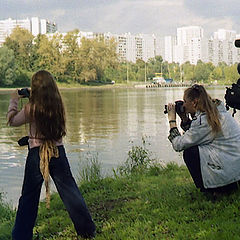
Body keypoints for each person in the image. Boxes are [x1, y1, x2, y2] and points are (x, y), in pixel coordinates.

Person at [7, 70, 96, 240]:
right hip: (57, 152)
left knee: (29, 198)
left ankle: (21, 236)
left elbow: (12, 121)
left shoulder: (31, 108)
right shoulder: (58, 106)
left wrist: (14, 100)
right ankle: (87, 231)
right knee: (70, 192)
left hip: (36, 154)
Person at [167, 84, 240, 194]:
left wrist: (172, 121)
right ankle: (227, 185)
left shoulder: (205, 120)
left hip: (229, 165)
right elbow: (198, 135)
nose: (184, 105)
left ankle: (212, 189)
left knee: (190, 152)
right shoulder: (215, 111)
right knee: (195, 147)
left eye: (185, 101)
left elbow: (179, 145)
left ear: (194, 102)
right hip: (234, 165)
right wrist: (184, 119)